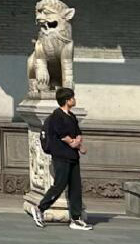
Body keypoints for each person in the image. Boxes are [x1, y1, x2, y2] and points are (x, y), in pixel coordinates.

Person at [32, 87, 92, 231]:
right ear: (67, 100)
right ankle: (40, 208)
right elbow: (62, 135)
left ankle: (76, 218)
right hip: (61, 156)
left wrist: (78, 142)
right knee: (59, 184)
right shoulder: (57, 116)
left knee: (76, 187)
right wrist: (73, 143)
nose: (74, 99)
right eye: (72, 97)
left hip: (72, 156)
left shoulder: (72, 116)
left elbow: (78, 133)